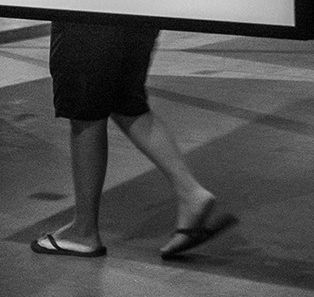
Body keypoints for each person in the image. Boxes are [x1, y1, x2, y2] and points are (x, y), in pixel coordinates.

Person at [30, 21, 237, 259]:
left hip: (89, 13)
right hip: (138, 9)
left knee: (84, 109)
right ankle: (191, 192)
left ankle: (83, 231)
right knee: (124, 100)